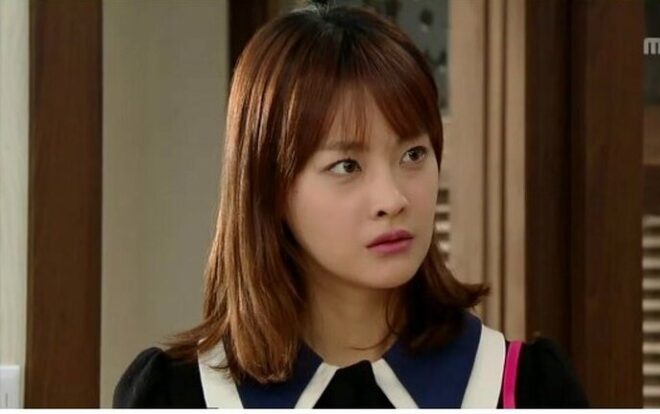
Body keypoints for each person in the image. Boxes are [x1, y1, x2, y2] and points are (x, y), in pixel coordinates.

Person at [113, 2, 589, 409]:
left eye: (413, 155)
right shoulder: (177, 394)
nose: (393, 200)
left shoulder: (524, 388)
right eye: (347, 166)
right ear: (270, 188)